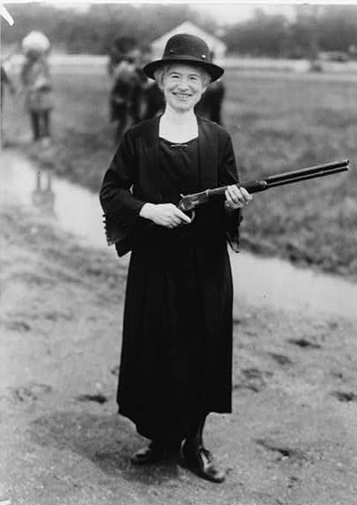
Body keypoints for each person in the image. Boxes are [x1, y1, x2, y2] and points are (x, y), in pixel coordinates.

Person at [99, 33, 252, 483]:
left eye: (194, 78)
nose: (184, 85)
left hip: (205, 267)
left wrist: (234, 202)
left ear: (205, 88)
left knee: (201, 348)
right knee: (156, 348)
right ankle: (162, 438)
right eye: (175, 76)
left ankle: (193, 443)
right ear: (160, 81)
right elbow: (111, 192)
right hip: (153, 265)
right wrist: (148, 209)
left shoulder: (218, 138)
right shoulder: (139, 138)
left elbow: (229, 194)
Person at [20, 31, 53, 145]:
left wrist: (40, 84)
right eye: (31, 52)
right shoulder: (26, 65)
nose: (33, 54)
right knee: (33, 114)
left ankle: (46, 135)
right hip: (32, 92)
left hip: (43, 92)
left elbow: (46, 77)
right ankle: (36, 135)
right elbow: (23, 77)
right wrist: (28, 86)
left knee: (45, 114)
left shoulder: (43, 63)